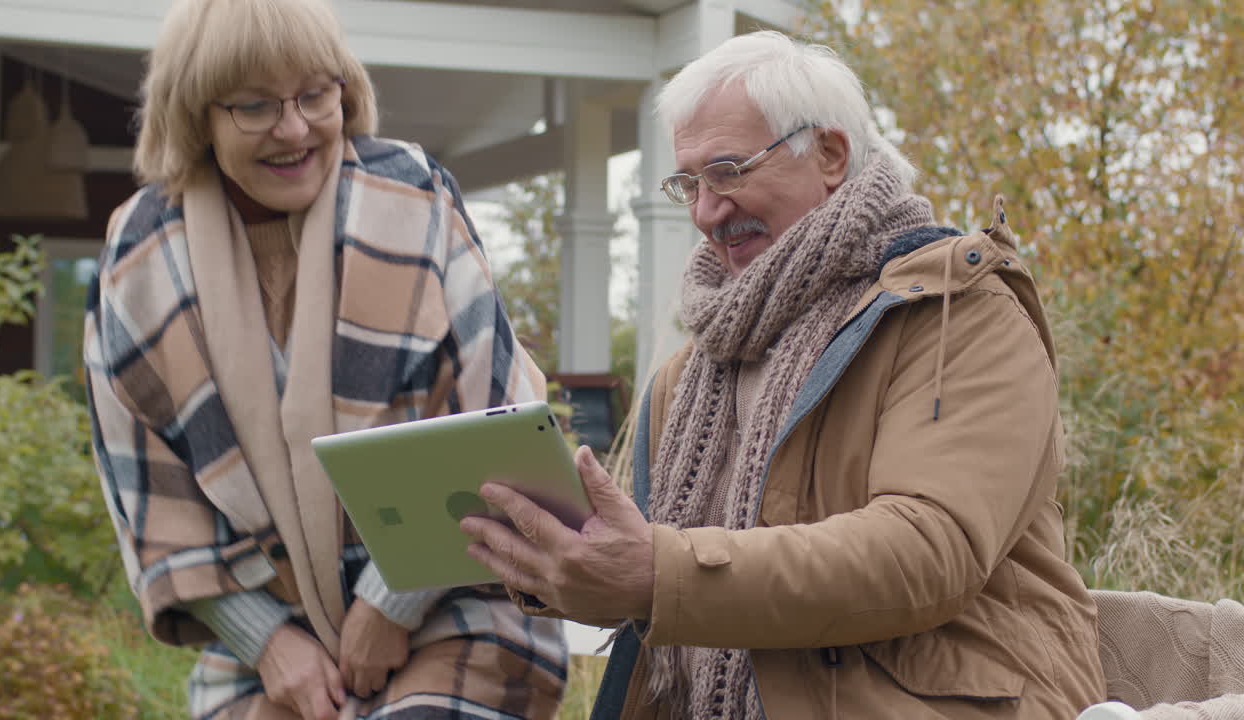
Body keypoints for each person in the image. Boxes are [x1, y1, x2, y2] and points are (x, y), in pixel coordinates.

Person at [461, 30, 1106, 719]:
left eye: (729, 171)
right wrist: (559, 563)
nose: (707, 213)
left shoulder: (958, 312)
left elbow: (927, 552)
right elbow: (649, 587)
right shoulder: (687, 376)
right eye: (689, 184)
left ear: (829, 154)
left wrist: (660, 575)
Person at [83, 1, 565, 718]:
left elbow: (492, 424)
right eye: (254, 106)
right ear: (196, 116)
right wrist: (273, 645)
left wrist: (389, 605)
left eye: (315, 94)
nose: (294, 128)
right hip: (265, 648)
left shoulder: (413, 194)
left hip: (457, 603)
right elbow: (151, 501)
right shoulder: (141, 255)